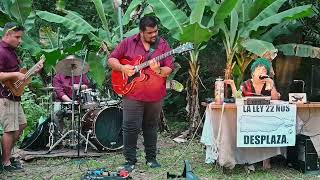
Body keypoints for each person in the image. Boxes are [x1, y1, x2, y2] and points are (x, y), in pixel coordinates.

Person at [108, 15, 174, 171]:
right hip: (132, 93)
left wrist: (157, 69)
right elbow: (112, 60)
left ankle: (151, 159)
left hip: (155, 95)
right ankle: (130, 161)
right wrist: (123, 68)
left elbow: (168, 69)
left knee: (151, 126)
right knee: (130, 127)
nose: (154, 35)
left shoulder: (163, 45)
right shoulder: (128, 42)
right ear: (141, 32)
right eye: (150, 32)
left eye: (156, 31)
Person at [0, 22, 43, 171]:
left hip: (15, 95)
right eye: (17, 37)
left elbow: (20, 78)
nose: (20, 40)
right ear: (7, 34)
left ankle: (8, 155)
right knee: (10, 130)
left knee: (21, 125)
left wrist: (32, 72)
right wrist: (16, 74)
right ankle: (5, 163)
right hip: (4, 95)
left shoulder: (12, 51)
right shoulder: (1, 51)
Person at [226, 58, 280, 170]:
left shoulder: (268, 84)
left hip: (266, 117)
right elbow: (238, 97)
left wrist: (272, 84)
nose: (262, 72)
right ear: (253, 72)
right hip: (249, 118)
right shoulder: (246, 84)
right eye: (259, 69)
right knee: (247, 131)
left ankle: (266, 161)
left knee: (269, 131)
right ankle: (249, 160)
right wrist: (232, 85)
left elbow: (275, 99)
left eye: (264, 70)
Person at [52, 56, 90, 132]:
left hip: (79, 100)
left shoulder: (80, 74)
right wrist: (70, 102)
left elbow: (87, 86)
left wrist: (79, 87)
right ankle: (60, 134)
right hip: (63, 101)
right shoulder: (57, 77)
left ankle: (84, 133)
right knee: (56, 112)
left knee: (90, 111)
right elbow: (60, 92)